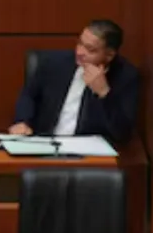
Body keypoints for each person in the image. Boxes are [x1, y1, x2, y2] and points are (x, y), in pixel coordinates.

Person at [8, 20, 140, 144]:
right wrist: (22, 121)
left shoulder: (125, 77)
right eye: (80, 43)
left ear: (109, 55)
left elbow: (123, 134)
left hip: (91, 157)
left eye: (90, 49)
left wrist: (104, 93)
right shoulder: (54, 63)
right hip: (45, 145)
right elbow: (29, 94)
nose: (80, 52)